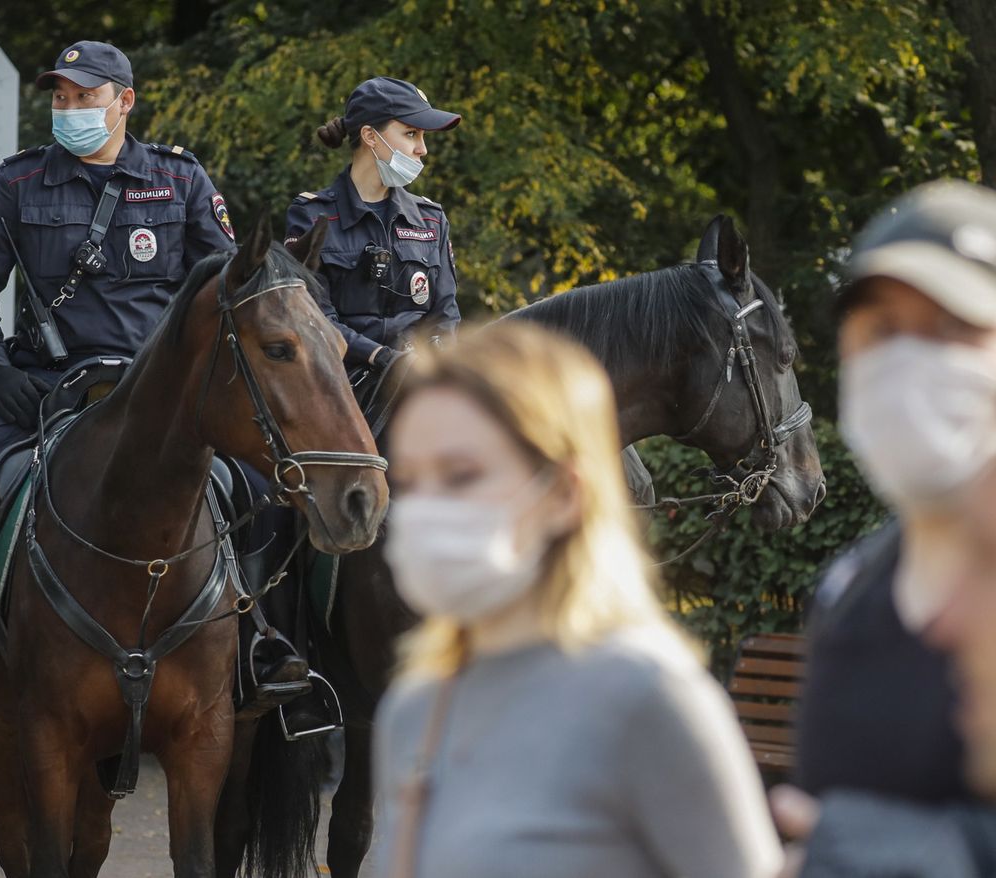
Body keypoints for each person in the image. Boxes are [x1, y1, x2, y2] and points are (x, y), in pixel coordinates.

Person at [370, 322, 782, 878]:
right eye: (411, 482)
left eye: (461, 475)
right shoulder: (412, 712)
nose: (425, 510)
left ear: (565, 493)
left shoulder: (650, 701)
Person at [0, 40, 237, 690]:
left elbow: (232, 291)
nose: (70, 108)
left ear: (124, 101)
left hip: (156, 401)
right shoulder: (19, 180)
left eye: (86, 97)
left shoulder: (181, 179)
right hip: (48, 390)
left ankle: (259, 638)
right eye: (61, 97)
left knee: (246, 483)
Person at [771, 180, 996, 876]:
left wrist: (909, 854)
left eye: (950, 328)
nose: (908, 359)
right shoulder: (852, 586)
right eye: (881, 330)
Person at [285, 77, 462, 376]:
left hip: (419, 383)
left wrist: (436, 367)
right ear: (370, 136)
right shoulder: (311, 216)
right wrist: (381, 357)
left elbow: (445, 316)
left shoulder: (431, 219)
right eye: (411, 134)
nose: (422, 149)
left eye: (422, 136)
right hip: (341, 385)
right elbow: (313, 316)